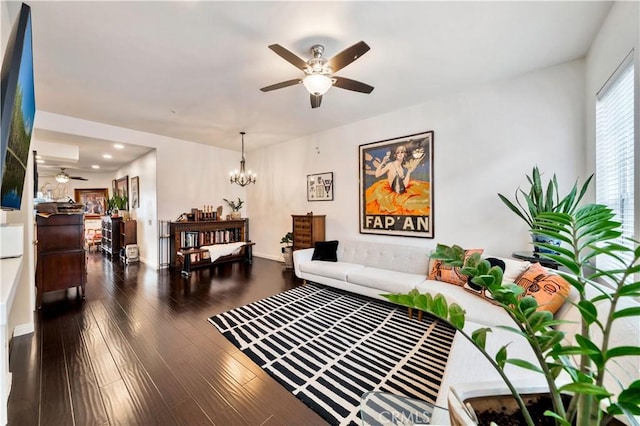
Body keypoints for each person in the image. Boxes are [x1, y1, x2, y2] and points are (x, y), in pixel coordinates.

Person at [364, 143, 430, 216]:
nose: (400, 154)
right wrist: (383, 163)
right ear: (395, 154)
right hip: (390, 194)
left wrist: (408, 172)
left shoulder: (402, 167)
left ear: (405, 154)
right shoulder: (390, 165)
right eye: (398, 152)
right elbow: (377, 175)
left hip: (401, 192)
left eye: (402, 152)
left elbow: (404, 185)